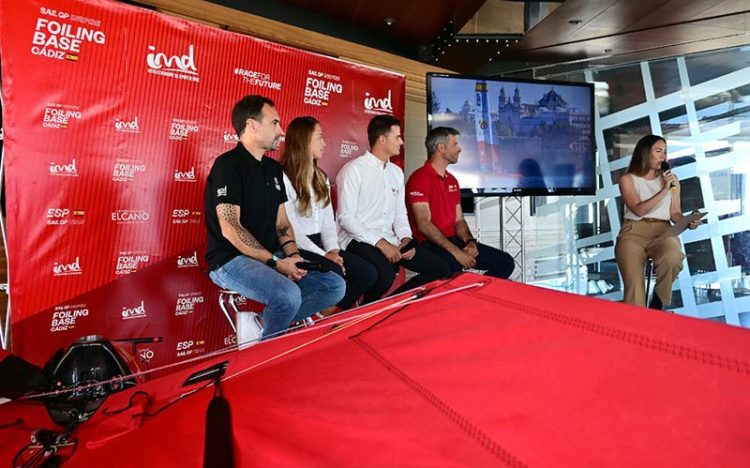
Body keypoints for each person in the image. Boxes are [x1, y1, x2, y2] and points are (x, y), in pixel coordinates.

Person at [204, 95, 345, 343]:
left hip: (273, 256)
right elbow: (231, 228)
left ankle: (262, 324)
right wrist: (276, 263)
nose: (281, 131)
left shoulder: (272, 170)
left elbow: (282, 223)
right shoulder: (227, 166)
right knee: (288, 295)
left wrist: (292, 256)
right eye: (274, 123)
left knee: (334, 286)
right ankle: (267, 352)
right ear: (251, 125)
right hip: (230, 260)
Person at [336, 115, 451, 303]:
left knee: (440, 269)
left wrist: (406, 239)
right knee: (384, 275)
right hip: (357, 239)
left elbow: (400, 214)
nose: (402, 141)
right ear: (382, 139)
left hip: (391, 239)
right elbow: (346, 218)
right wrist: (382, 244)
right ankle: (369, 309)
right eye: (397, 137)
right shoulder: (354, 170)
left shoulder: (396, 172)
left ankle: (390, 305)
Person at [280, 116, 377, 311]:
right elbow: (292, 231)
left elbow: (327, 222)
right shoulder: (283, 177)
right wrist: (325, 255)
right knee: (335, 273)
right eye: (320, 137)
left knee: (367, 273)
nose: (325, 143)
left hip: (322, 246)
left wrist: (333, 250)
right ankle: (320, 314)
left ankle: (327, 314)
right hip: (296, 247)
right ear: (304, 140)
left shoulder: (320, 177)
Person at [406, 127, 515, 279]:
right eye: (455, 144)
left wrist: (470, 242)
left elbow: (459, 220)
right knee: (454, 270)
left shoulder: (452, 180)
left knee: (506, 262)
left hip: (454, 241)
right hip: (431, 244)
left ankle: (477, 298)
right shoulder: (419, 179)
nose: (460, 149)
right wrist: (457, 252)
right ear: (441, 148)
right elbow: (424, 225)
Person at [615, 134, 700, 309]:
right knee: (634, 292)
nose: (663, 156)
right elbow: (638, 209)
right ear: (646, 153)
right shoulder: (627, 179)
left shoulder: (672, 181)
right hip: (633, 232)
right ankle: (636, 330)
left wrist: (688, 221)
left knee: (673, 257)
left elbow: (674, 213)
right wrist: (663, 189)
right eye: (658, 151)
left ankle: (659, 298)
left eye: (665, 152)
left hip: (663, 231)